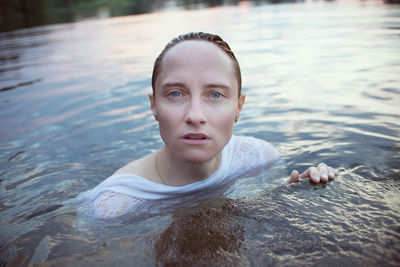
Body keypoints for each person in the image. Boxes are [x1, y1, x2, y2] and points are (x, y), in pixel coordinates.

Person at [80, 32, 336, 222]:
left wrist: (295, 192)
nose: (195, 115)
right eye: (176, 94)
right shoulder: (116, 205)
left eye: (215, 95)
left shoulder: (259, 158)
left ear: (239, 106)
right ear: (154, 105)